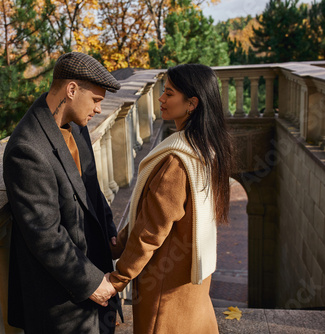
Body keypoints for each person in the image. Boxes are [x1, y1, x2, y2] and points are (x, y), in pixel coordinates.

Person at [3, 52, 122, 334]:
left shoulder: (77, 127)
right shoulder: (26, 149)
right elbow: (45, 236)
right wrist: (91, 282)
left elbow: (92, 188)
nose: (98, 110)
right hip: (61, 303)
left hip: (95, 279)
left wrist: (109, 230)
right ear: (71, 90)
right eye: (95, 100)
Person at [109, 63, 233, 333]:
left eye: (169, 93)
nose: (161, 99)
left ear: (192, 103)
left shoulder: (177, 160)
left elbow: (151, 230)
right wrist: (117, 245)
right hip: (191, 279)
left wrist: (118, 278)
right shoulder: (207, 148)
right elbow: (152, 213)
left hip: (164, 286)